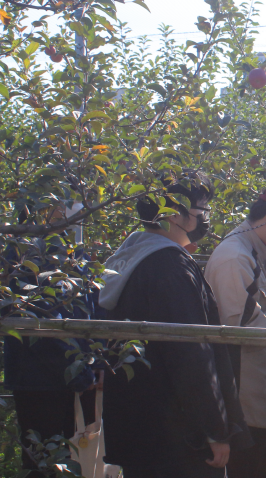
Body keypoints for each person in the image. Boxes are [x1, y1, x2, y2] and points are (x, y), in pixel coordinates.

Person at [100, 171, 252, 477]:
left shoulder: (130, 258)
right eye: (200, 208)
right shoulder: (171, 268)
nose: (205, 217)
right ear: (172, 214)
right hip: (179, 440)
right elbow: (191, 356)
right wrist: (214, 429)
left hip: (140, 431)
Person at [204, 180, 266, 478]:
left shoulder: (258, 254)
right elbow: (240, 331)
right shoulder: (235, 258)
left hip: (264, 401)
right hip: (245, 406)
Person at [2, 204, 97, 477]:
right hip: (41, 378)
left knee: (61, 457)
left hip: (60, 376)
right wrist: (83, 371)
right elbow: (39, 321)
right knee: (46, 459)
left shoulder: (64, 248)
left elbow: (84, 307)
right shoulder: (27, 253)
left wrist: (92, 362)